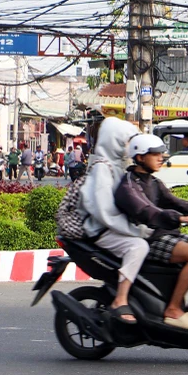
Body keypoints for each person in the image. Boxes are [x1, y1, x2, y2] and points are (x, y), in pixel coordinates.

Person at [115, 134, 188, 330]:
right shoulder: (129, 185)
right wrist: (179, 218)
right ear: (140, 157)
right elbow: (146, 211)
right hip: (147, 239)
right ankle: (174, 309)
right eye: (155, 154)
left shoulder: (154, 182)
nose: (161, 158)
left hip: (166, 234)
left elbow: (177, 203)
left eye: (162, 154)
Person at [80, 117, 151, 325]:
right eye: (128, 140)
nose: (131, 146)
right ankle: (120, 300)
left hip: (112, 226)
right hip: (101, 230)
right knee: (138, 247)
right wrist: (135, 230)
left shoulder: (118, 165)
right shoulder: (102, 168)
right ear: (115, 140)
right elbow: (104, 212)